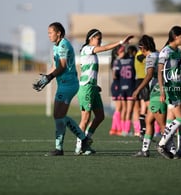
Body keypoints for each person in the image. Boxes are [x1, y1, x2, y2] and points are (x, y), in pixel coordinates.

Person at [32, 22, 92, 156]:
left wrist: (50, 77)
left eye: (50, 32)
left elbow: (63, 66)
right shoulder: (56, 47)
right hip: (64, 84)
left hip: (69, 85)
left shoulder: (64, 44)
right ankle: (83, 139)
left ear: (58, 33)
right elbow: (55, 66)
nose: (49, 35)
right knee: (59, 116)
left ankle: (63, 147)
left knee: (58, 116)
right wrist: (46, 78)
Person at [75, 29, 133, 154]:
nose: (100, 41)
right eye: (98, 38)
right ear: (91, 39)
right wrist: (121, 42)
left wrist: (95, 85)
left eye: (101, 39)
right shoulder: (87, 48)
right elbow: (105, 48)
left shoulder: (92, 53)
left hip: (92, 88)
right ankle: (79, 145)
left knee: (100, 116)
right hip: (86, 88)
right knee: (85, 118)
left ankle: (86, 140)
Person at [133, 35, 167, 157]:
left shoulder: (151, 57)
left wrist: (138, 89)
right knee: (149, 120)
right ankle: (145, 149)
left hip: (157, 92)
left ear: (143, 47)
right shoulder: (158, 54)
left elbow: (148, 75)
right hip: (158, 91)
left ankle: (171, 149)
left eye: (140, 47)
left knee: (162, 124)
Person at [156, 26, 181, 159]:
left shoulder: (178, 52)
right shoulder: (165, 51)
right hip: (170, 90)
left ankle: (171, 150)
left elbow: (179, 71)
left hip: (177, 88)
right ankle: (162, 145)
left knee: (170, 121)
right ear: (175, 37)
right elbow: (160, 73)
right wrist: (162, 91)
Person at [117, 45, 136, 136]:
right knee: (129, 110)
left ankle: (122, 129)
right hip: (130, 87)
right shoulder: (132, 61)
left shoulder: (119, 62)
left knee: (124, 110)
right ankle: (127, 130)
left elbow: (115, 75)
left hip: (122, 87)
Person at [133, 42, 150, 140]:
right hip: (143, 82)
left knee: (143, 108)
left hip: (142, 81)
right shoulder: (140, 55)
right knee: (148, 107)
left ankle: (143, 131)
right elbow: (146, 61)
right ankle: (144, 131)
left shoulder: (141, 54)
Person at [109, 46, 122, 136]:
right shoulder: (117, 62)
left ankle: (115, 128)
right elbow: (114, 75)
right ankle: (115, 128)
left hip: (118, 86)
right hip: (117, 86)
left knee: (119, 108)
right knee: (118, 108)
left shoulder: (118, 61)